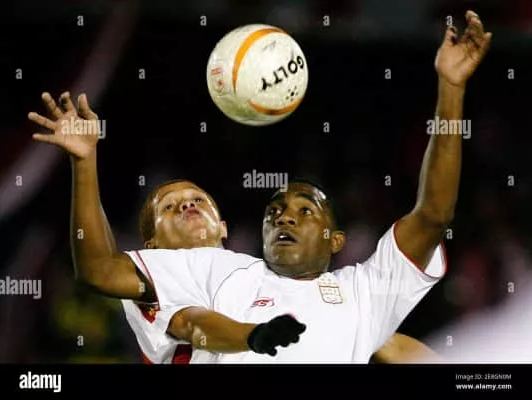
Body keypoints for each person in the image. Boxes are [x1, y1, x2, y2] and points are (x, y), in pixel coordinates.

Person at [28, 9, 490, 362]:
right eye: (274, 211)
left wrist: (451, 90)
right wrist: (84, 164)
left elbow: (433, 215)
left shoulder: (359, 295)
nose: (284, 215)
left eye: (305, 210)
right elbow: (172, 311)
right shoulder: (212, 270)